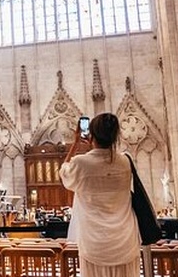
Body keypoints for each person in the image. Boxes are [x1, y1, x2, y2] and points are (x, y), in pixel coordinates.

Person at [59, 113, 139, 277]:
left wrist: (75, 144)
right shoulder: (125, 161)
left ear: (91, 136)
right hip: (124, 239)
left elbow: (64, 174)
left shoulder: (81, 163)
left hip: (94, 241)